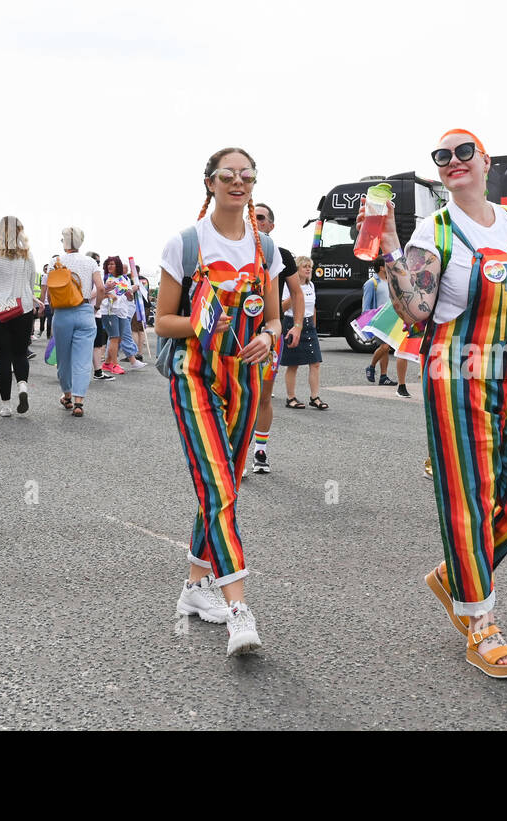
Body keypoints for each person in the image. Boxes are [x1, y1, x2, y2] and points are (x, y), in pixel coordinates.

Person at [362, 128, 507, 678]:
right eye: (442, 157)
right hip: (460, 372)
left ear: (486, 161)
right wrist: (390, 252)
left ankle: (454, 576)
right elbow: (417, 309)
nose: (453, 161)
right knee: (471, 494)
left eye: (463, 151)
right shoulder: (434, 228)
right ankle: (481, 623)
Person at [158, 147, 283, 656]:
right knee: (220, 487)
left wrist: (271, 338)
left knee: (221, 485)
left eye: (246, 175)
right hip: (195, 375)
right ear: (209, 182)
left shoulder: (267, 246)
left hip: (247, 379)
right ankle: (238, 611)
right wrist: (203, 323)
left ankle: (194, 587)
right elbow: (163, 320)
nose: (238, 182)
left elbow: (273, 318)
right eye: (228, 175)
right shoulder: (186, 244)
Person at [245, 203, 304, 476]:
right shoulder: (233, 250)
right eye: (251, 217)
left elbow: (297, 292)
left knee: (264, 396)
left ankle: (260, 451)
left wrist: (299, 326)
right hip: (236, 333)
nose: (254, 221)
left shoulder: (281, 256)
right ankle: (235, 454)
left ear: (270, 225)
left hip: (269, 334)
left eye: (260, 218)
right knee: (237, 394)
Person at [0, 216, 39, 416]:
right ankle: (22, 385)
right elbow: (31, 285)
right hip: (23, 309)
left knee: (3, 356)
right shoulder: (27, 256)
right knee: (21, 353)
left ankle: (6, 405)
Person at [51, 228, 105, 417]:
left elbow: (50, 290)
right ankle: (78, 402)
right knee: (83, 360)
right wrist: (96, 307)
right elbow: (100, 288)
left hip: (62, 313)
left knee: (64, 358)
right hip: (84, 311)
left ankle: (66, 395)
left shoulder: (55, 261)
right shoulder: (91, 262)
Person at [279, 255, 326, 410]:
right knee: (293, 364)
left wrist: (314, 326)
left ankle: (315, 397)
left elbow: (312, 308)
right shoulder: (289, 286)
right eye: (305, 266)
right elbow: (283, 308)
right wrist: (296, 295)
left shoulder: (311, 285)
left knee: (315, 363)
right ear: (297, 269)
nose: (308, 269)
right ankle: (290, 397)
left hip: (308, 325)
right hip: (291, 322)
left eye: (310, 267)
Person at [362, 262, 399, 387]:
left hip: (391, 318)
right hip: (379, 319)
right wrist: (367, 323)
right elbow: (366, 306)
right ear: (381, 267)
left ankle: (383, 377)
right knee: (384, 346)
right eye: (386, 264)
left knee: (386, 348)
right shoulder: (371, 283)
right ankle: (371, 367)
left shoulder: (390, 281)